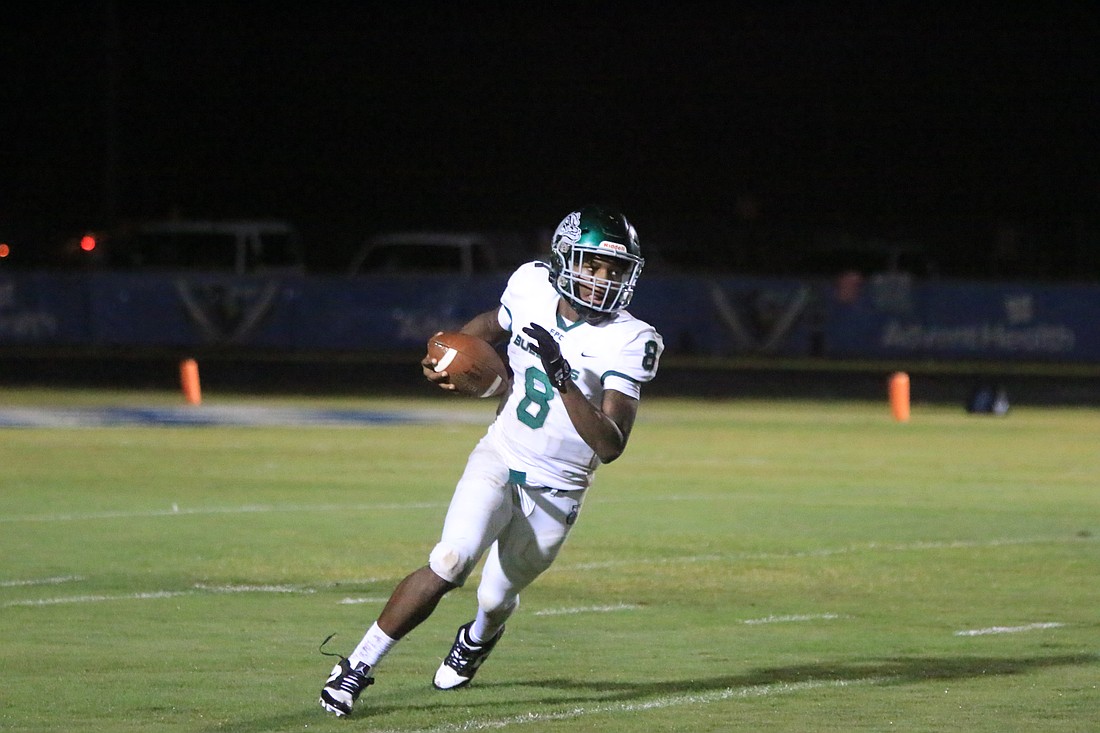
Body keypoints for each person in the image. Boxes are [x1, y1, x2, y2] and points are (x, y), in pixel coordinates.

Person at [319, 205, 664, 717]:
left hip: (559, 487)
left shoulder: (632, 338)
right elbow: (492, 323)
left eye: (613, 270)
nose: (601, 280)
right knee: (451, 559)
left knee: (496, 596)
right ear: (565, 258)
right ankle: (356, 667)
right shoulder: (531, 284)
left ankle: (479, 637)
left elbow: (610, 444)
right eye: (592, 265)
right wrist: (456, 354)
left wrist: (561, 377)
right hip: (501, 454)